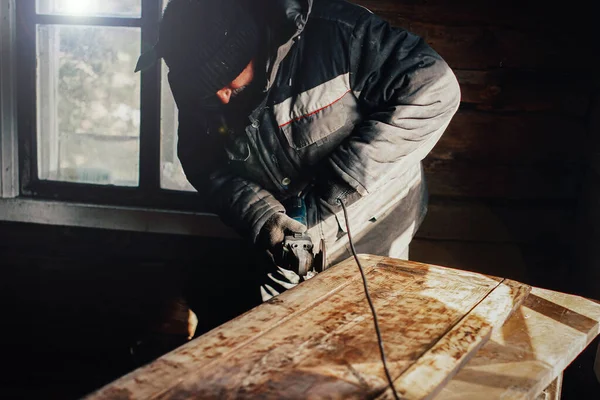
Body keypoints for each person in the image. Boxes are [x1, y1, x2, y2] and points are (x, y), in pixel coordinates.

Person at [136, 0, 460, 309]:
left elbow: (434, 89)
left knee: (372, 342)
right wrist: (265, 219)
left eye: (227, 82)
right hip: (288, 253)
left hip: (376, 234)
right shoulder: (199, 89)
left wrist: (341, 182)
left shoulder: (338, 35)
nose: (220, 97)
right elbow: (205, 166)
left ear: (252, 44)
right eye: (207, 88)